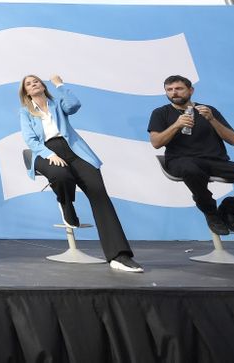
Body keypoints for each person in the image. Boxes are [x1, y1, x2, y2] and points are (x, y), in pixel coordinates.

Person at [19, 74, 143, 272]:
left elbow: (74, 105)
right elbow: (30, 139)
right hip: (46, 151)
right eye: (28, 83)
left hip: (74, 150)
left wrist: (60, 85)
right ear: (25, 91)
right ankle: (66, 203)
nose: (33, 84)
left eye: (36, 81)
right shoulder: (25, 112)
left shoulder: (57, 103)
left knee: (99, 195)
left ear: (43, 85)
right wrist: (49, 154)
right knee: (61, 175)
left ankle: (120, 256)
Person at [147, 75, 234, 236]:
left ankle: (229, 210)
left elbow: (233, 140)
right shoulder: (160, 113)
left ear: (191, 90)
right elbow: (156, 142)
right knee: (191, 169)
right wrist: (176, 125)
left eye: (179, 89)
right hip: (181, 160)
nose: (174, 93)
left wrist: (212, 119)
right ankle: (211, 212)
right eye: (169, 90)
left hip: (216, 161)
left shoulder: (208, 110)